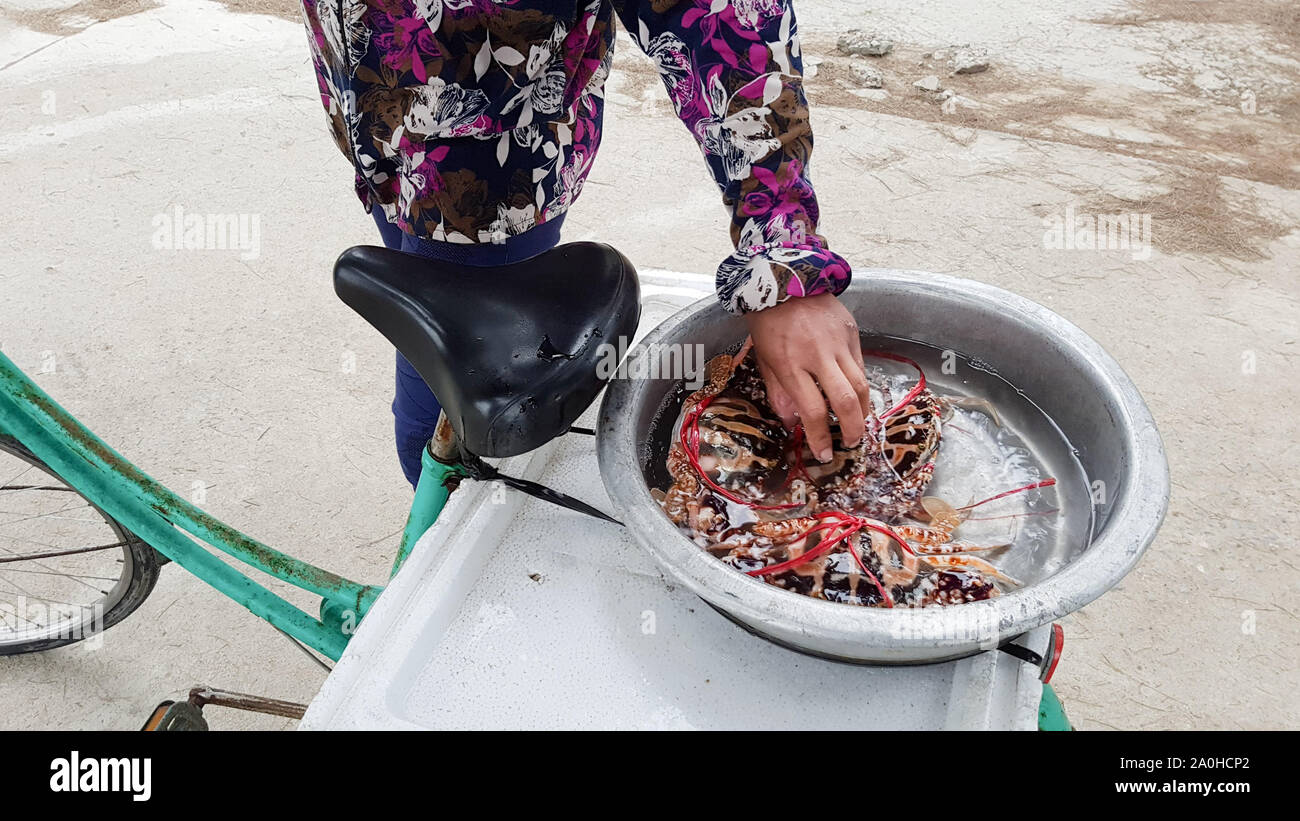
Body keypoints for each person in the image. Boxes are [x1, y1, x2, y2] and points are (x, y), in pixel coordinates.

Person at [301, 0, 871, 487]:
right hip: (375, 133)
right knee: (431, 410)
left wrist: (783, 249)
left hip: (492, 180)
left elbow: (723, 17)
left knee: (441, 437)